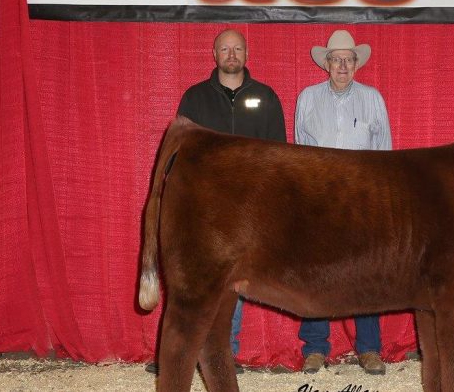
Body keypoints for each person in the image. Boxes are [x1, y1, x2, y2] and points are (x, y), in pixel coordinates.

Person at [146, 29, 287, 375]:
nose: (231, 54)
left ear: (246, 53)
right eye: (225, 48)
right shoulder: (194, 98)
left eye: (237, 48)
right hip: (204, 207)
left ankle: (224, 351)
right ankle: (183, 351)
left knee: (234, 278)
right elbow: (179, 152)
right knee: (192, 280)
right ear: (214, 53)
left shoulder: (266, 97)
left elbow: (280, 153)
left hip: (250, 206)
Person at [293, 29, 391, 375]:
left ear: (357, 64)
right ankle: (316, 346)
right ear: (326, 64)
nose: (343, 65)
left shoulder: (373, 99)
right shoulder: (306, 98)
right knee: (316, 272)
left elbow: (385, 155)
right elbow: (300, 151)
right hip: (318, 198)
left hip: (363, 200)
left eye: (349, 59)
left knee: (366, 272)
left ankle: (369, 348)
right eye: (337, 59)